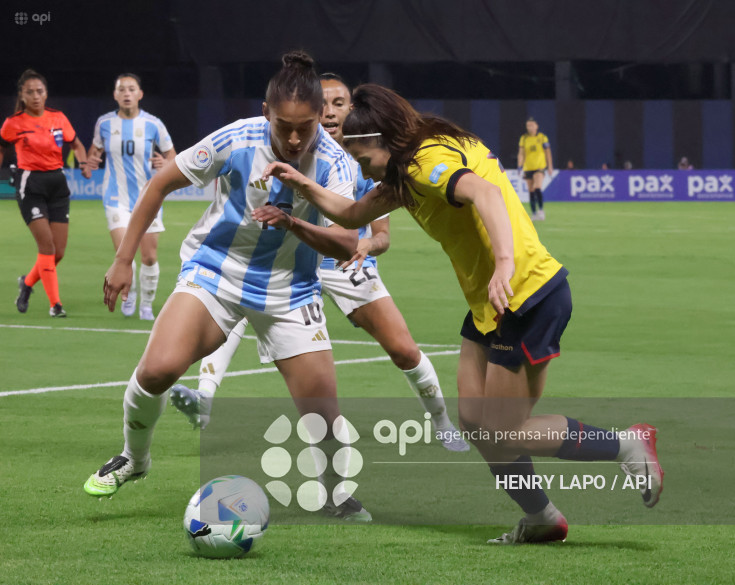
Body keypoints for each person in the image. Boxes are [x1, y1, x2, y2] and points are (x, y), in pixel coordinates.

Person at [257, 84, 664, 544]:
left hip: (524, 294)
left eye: (362, 156)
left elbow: (487, 195)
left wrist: (505, 264)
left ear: (384, 140)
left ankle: (626, 444)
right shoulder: (410, 167)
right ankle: (541, 518)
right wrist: (299, 190)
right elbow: (352, 215)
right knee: (474, 421)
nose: (359, 166)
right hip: (489, 303)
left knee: (505, 432)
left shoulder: (426, 162)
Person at [83, 51, 372, 522]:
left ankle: (336, 496)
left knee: (321, 410)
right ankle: (134, 459)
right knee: (156, 371)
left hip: (290, 290)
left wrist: (293, 219)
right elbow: (160, 184)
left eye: (305, 126)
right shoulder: (237, 138)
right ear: (266, 114)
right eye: (284, 126)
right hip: (217, 272)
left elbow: (344, 244)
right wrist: (122, 259)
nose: (295, 137)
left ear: (322, 116)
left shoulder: (335, 162)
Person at [169, 73, 468, 452]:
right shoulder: (286, 147)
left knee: (403, 348)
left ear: (352, 110)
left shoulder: (367, 157)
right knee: (234, 304)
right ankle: (205, 398)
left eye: (339, 103)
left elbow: (382, 236)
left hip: (340, 264)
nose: (330, 112)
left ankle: (441, 422)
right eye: (323, 105)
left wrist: (364, 246)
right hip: (285, 264)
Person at [84, 73, 177, 320]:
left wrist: (164, 163)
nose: (126, 93)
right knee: (124, 252)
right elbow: (93, 155)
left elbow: (173, 158)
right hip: (116, 198)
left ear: (140, 94)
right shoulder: (104, 123)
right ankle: (131, 294)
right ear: (115, 95)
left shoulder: (153, 124)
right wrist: (89, 163)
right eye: (121, 89)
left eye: (131, 89)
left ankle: (146, 304)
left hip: (148, 196)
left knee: (149, 256)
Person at [1, 69, 88, 317]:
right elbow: (1, 146)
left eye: (40, 91)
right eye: (30, 92)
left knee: (58, 252)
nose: (36, 96)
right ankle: (55, 305)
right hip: (31, 186)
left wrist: (82, 164)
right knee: (47, 247)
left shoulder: (58, 118)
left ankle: (27, 283)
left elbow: (76, 143)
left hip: (58, 185)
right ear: (22, 95)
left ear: (46, 93)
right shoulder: (13, 123)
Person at [517, 117, 552, 221]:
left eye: (532, 125)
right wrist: (519, 166)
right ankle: (534, 213)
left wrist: (550, 166)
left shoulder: (542, 138)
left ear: (536, 126)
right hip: (528, 168)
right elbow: (521, 154)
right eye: (528, 125)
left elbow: (548, 152)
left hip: (539, 167)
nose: (530, 127)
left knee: (537, 187)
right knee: (531, 191)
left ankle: (541, 210)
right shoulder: (524, 138)